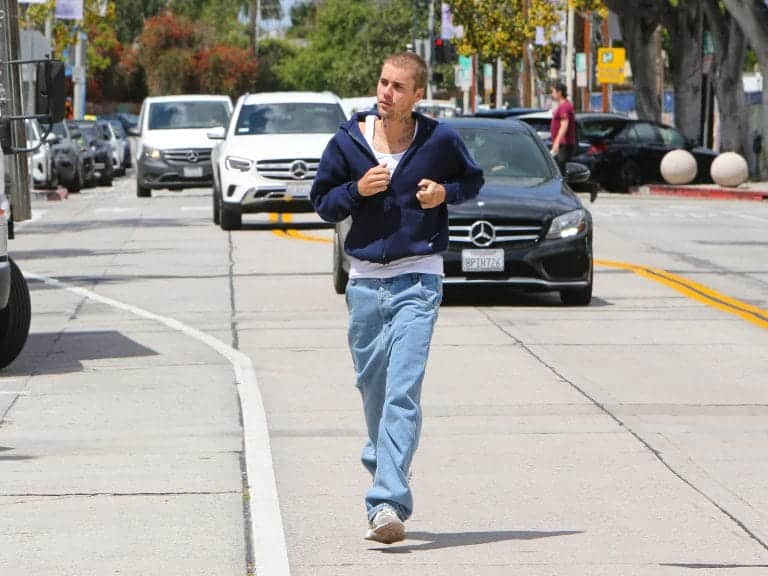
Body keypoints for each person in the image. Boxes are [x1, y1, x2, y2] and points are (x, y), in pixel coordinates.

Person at [311, 52, 484, 545]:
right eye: (383, 83)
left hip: (419, 279)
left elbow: (472, 181)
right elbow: (322, 201)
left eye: (398, 87)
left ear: (417, 95)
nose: (387, 93)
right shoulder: (348, 141)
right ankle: (383, 460)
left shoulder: (439, 140)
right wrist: (357, 189)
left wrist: (443, 194)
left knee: (402, 392)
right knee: (373, 391)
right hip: (365, 282)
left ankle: (387, 501)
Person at [549, 82, 576, 174]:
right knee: (557, 167)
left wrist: (557, 142)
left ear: (559, 92)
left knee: (559, 169)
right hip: (561, 143)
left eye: (553, 92)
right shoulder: (563, 106)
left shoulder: (565, 106)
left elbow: (564, 125)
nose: (552, 94)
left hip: (564, 144)